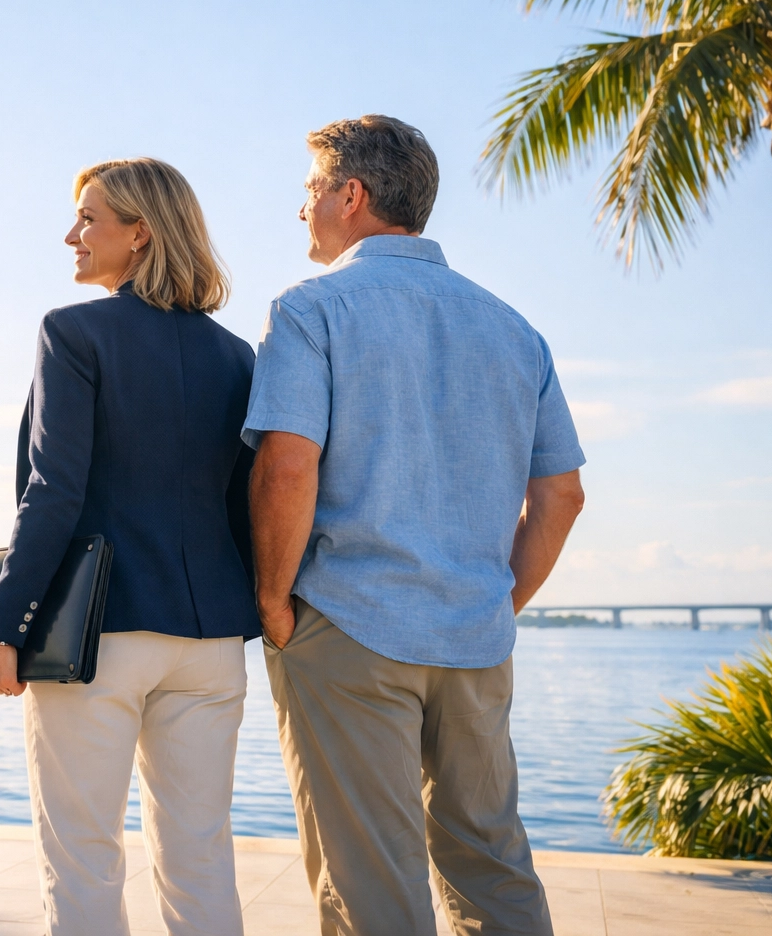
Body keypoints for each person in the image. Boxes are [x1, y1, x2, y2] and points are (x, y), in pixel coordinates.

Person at [245, 116, 585, 935]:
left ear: (351, 196)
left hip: (349, 626)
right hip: (474, 637)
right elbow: (563, 496)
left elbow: (288, 468)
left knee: (372, 881)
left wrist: (272, 604)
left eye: (310, 192)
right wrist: (497, 602)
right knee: (493, 862)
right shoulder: (513, 327)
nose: (303, 212)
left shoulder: (311, 308)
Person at [0, 158, 260, 936]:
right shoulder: (238, 357)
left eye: (89, 218)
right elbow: (243, 508)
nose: (72, 234)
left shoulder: (73, 332)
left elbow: (52, 492)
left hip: (99, 639)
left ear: (141, 233)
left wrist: (3, 629)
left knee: (84, 858)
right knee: (201, 860)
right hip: (210, 647)